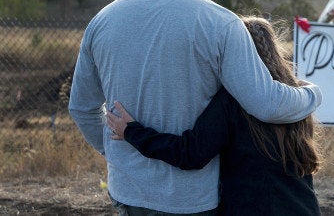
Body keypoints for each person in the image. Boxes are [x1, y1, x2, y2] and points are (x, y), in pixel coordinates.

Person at [68, 0, 322, 215]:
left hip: (129, 192)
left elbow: (82, 108)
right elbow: (265, 104)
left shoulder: (102, 21)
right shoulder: (222, 24)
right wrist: (312, 95)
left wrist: (115, 152)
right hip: (194, 200)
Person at [106, 17, 322, 215]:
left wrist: (132, 132)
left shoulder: (232, 100)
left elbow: (190, 153)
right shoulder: (296, 98)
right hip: (304, 208)